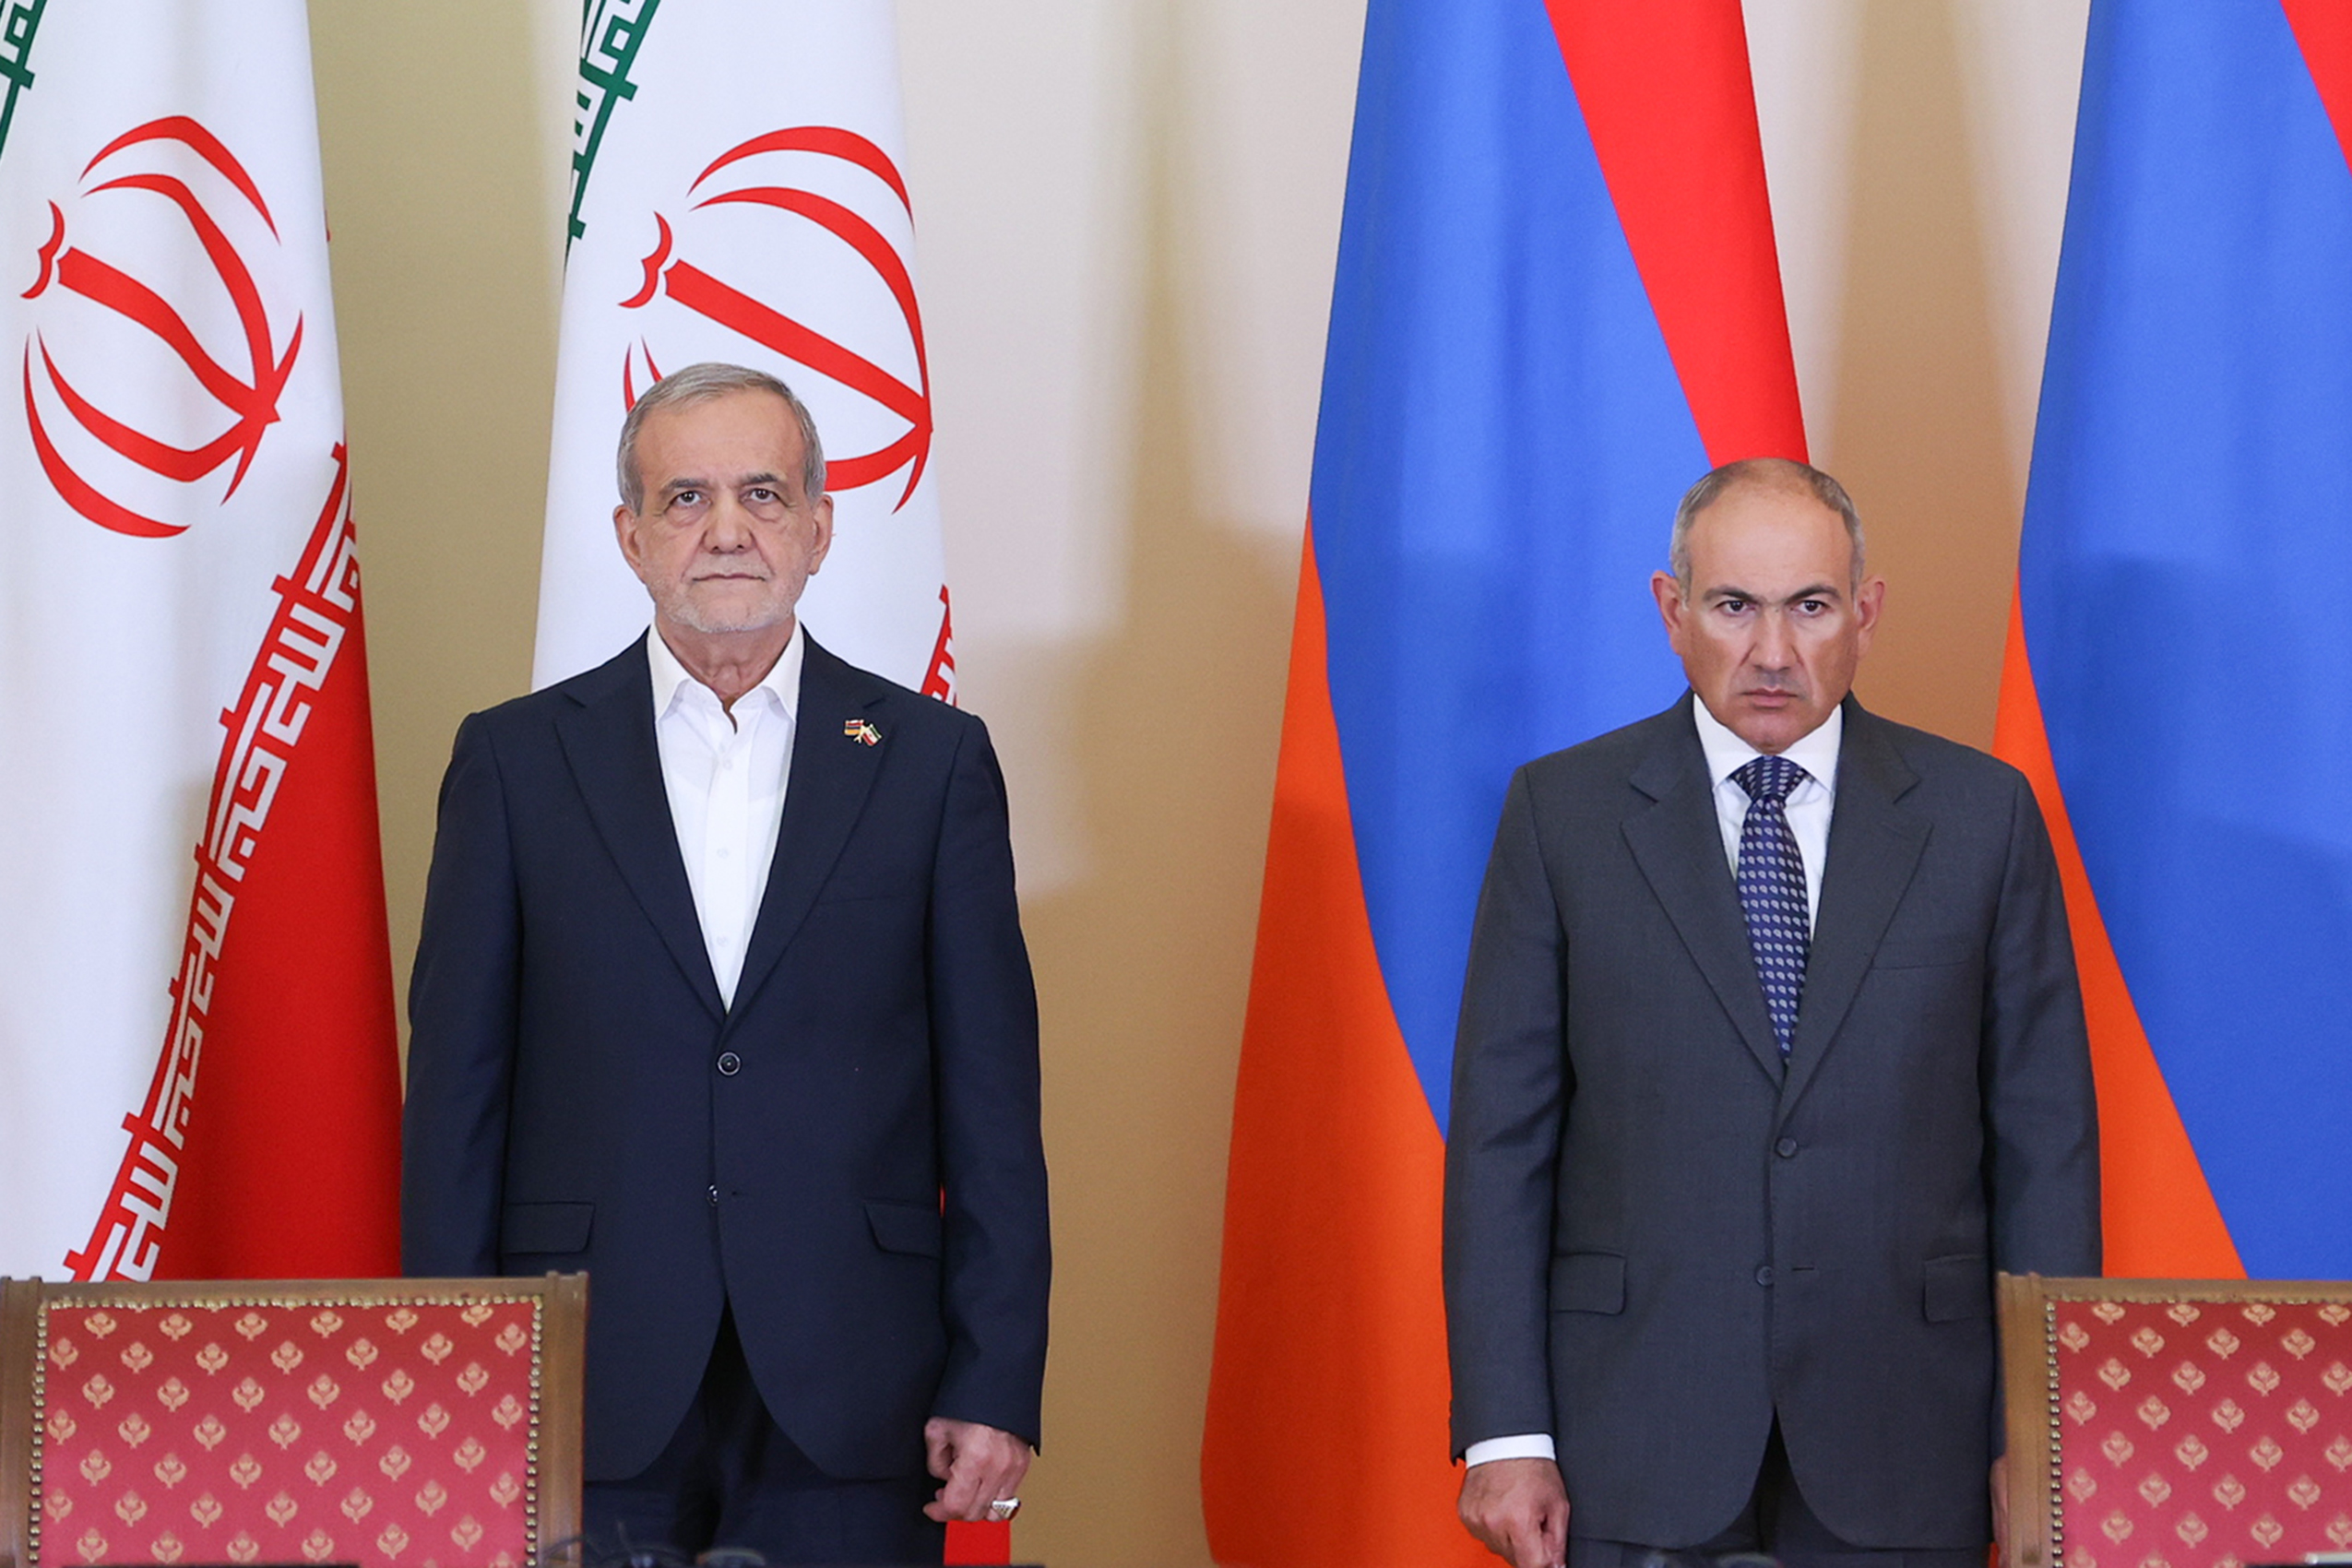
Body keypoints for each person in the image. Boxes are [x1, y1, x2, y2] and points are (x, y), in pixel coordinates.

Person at [401, 362, 1050, 1567]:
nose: (728, 530)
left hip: (856, 1384)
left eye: (762, 493)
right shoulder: (514, 763)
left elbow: (993, 1107)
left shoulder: (931, 763)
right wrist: (453, 1370)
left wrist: (996, 1375)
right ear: (632, 537)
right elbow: (455, 1104)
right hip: (583, 1377)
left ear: (818, 528)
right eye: (686, 498)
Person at [1443, 457, 2099, 1568]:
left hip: (1911, 1438)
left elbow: (2047, 1151)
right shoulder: (1563, 815)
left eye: (1812, 605)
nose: (1774, 651)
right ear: (1672, 610)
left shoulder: (1982, 819)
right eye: (1734, 605)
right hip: (1632, 1436)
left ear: (1867, 613)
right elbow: (1502, 1146)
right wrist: (1508, 1433)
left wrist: (2040, 1433)